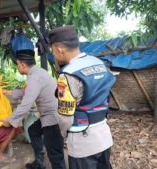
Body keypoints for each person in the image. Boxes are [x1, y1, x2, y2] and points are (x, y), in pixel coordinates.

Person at [48, 25, 117, 169]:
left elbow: (65, 117)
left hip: (83, 142)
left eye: (53, 51)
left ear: (59, 49)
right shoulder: (99, 63)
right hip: (104, 136)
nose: (54, 55)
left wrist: (64, 134)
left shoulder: (68, 74)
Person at [2, 49, 66, 169]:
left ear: (22, 64)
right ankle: (40, 162)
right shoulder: (38, 72)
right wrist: (9, 92)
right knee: (33, 130)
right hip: (52, 113)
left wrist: (10, 121)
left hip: (53, 118)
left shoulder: (33, 78)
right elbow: (29, 91)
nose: (17, 68)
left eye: (17, 65)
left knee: (55, 155)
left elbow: (26, 104)